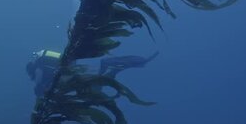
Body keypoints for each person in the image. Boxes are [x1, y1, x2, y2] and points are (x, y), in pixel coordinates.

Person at [26, 49, 159, 98]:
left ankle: (131, 63)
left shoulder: (38, 66)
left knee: (100, 71)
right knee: (99, 75)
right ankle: (129, 64)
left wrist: (37, 86)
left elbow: (38, 74)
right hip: (73, 68)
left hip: (72, 70)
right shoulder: (45, 65)